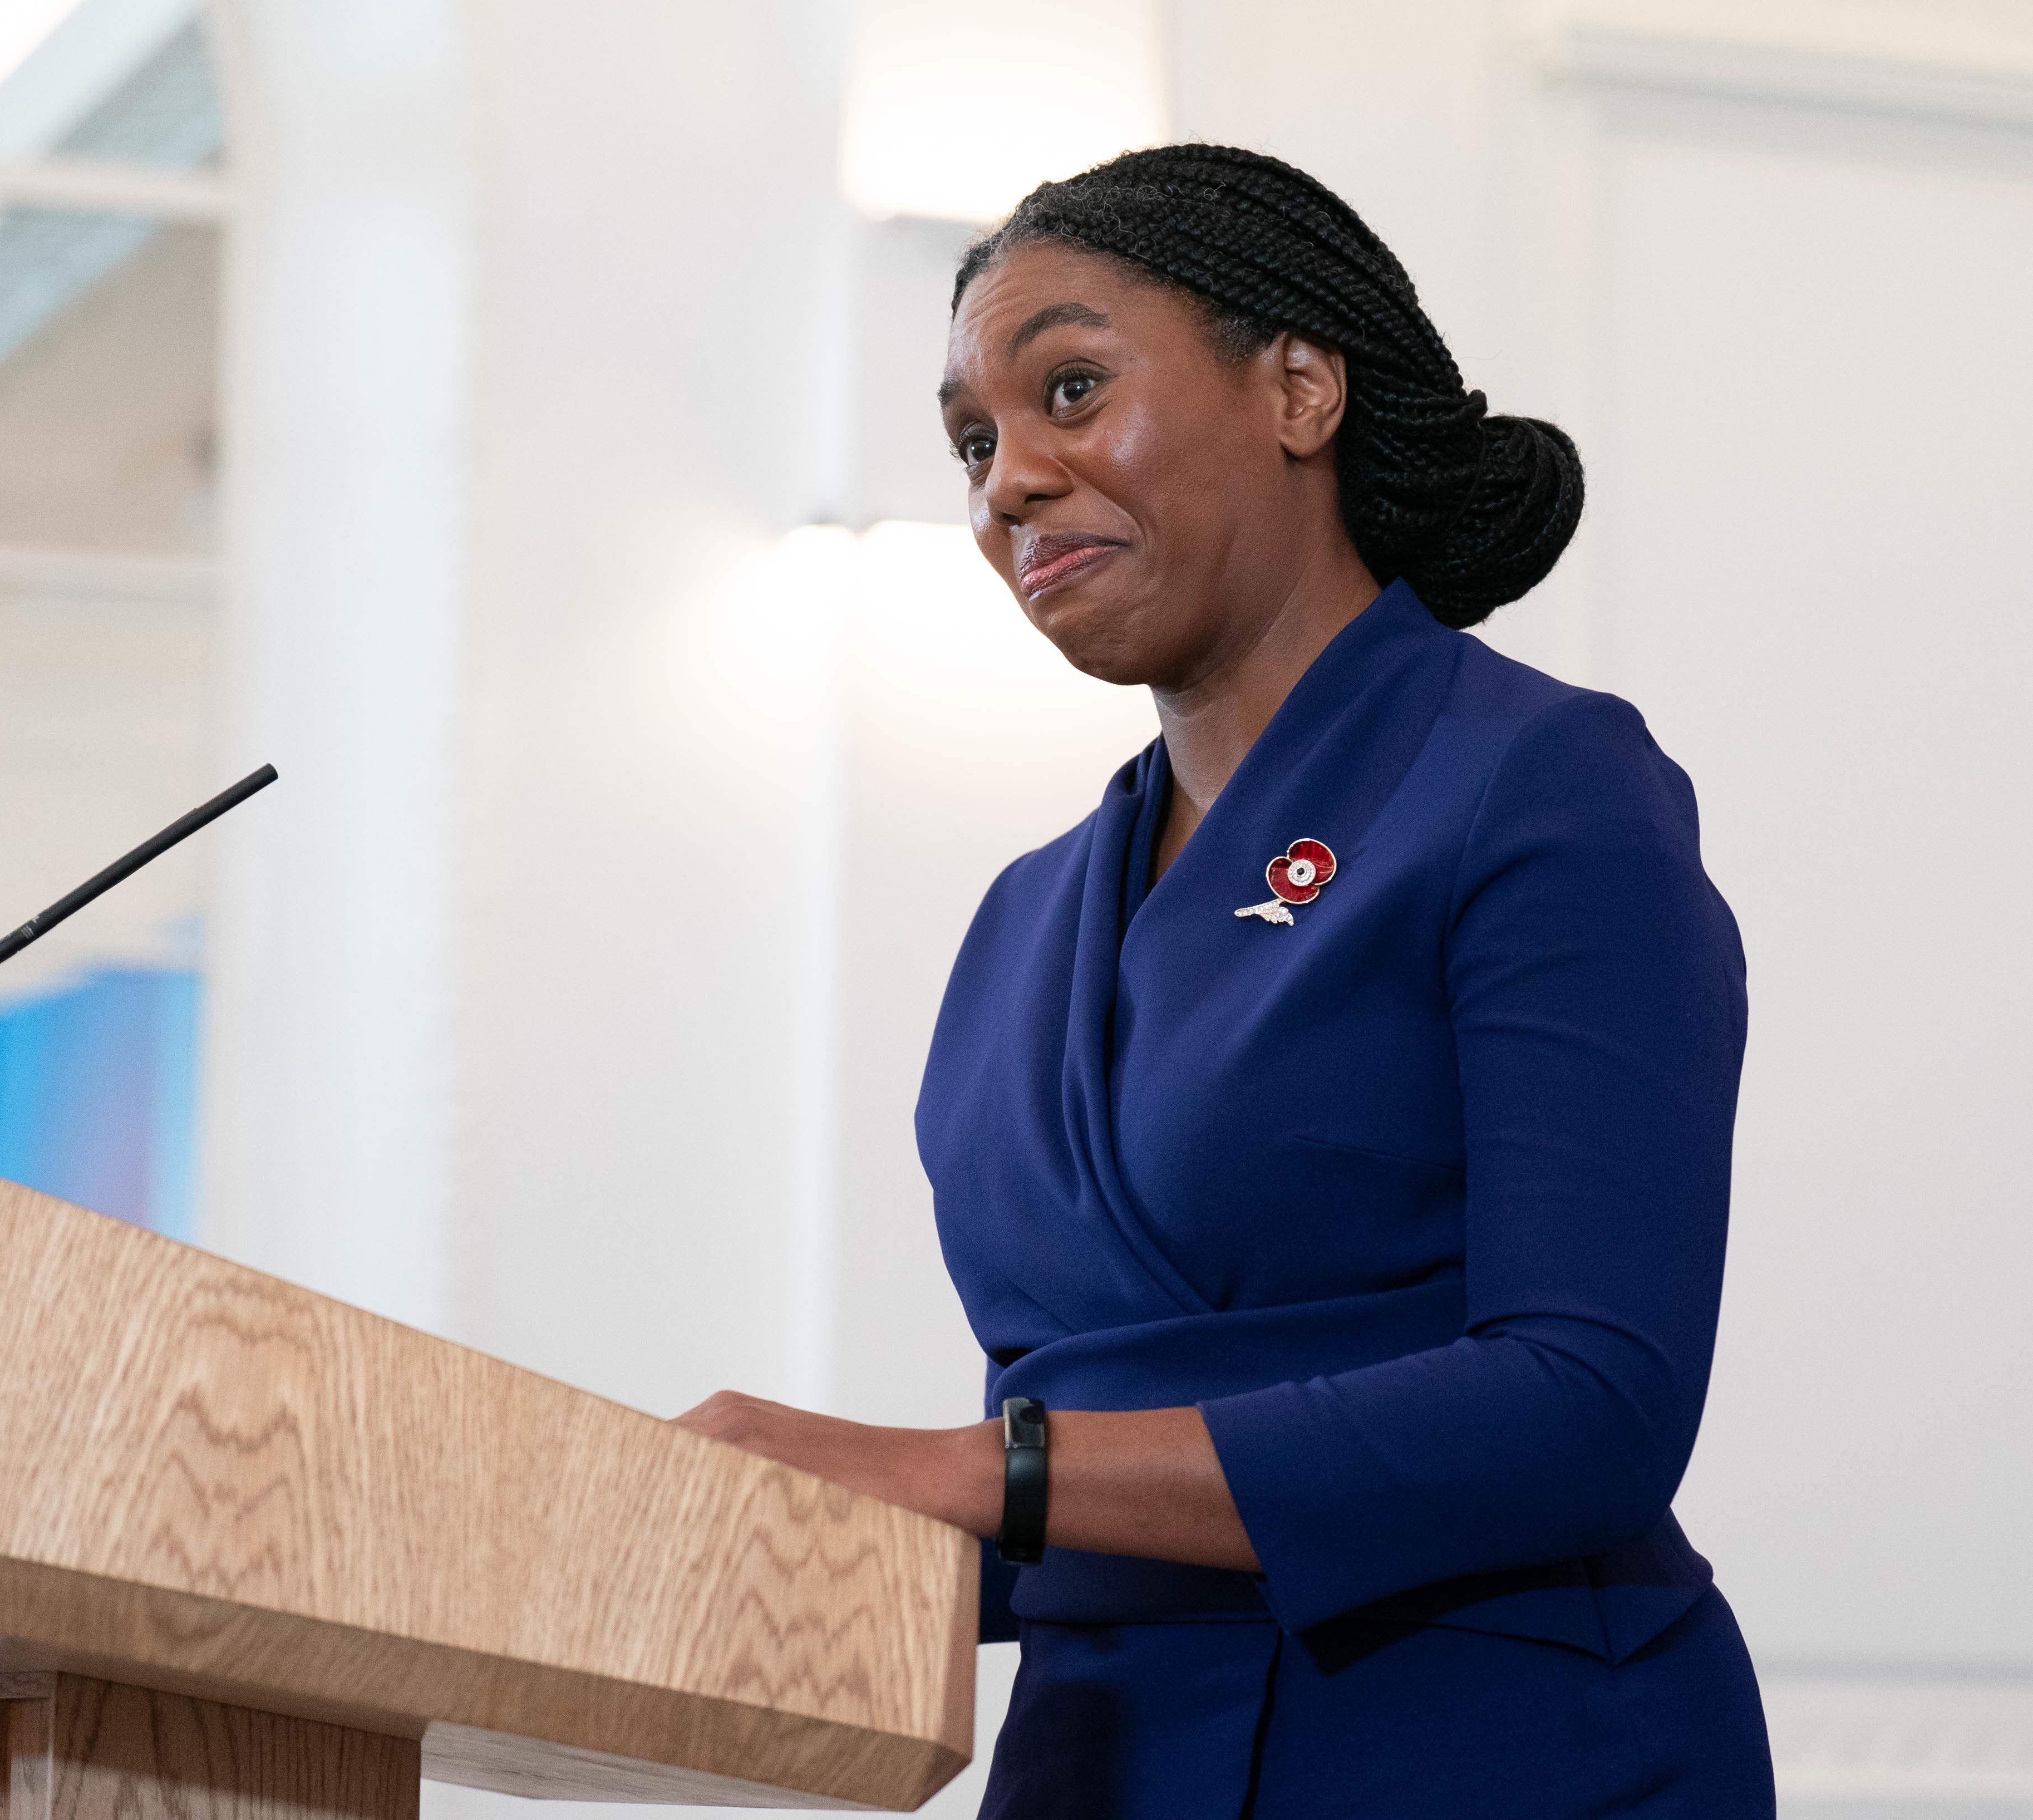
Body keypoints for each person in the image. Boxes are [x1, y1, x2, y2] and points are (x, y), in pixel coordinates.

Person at [673, 144, 1775, 1817]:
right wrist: (667, 1534)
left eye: (1069, 388)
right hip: (1106, 1762)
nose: (1007, 483)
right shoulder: (1022, 922)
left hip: (1481, 1752)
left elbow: (1588, 1405)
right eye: (973, 442)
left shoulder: (1532, 783)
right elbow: (1076, 1483)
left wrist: (975, 1472)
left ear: (1301, 389)